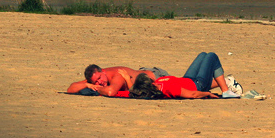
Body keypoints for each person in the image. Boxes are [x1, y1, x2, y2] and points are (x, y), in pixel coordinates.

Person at [68, 53, 242, 99]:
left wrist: (96, 88)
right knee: (209, 55)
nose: (99, 82)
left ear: (103, 71)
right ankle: (226, 87)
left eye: (99, 79)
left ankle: (224, 84)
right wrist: (89, 85)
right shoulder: (98, 80)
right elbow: (71, 88)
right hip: (193, 84)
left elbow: (113, 91)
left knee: (206, 55)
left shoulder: (117, 76)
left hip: (164, 76)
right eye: (95, 81)